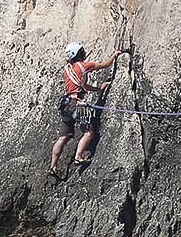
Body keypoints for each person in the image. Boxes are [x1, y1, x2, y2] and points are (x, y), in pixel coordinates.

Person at [50, 42, 131, 177]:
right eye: (82, 51)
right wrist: (114, 55)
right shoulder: (84, 66)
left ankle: (53, 167)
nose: (84, 52)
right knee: (89, 133)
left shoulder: (67, 69)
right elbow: (105, 64)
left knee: (62, 138)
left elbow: (82, 85)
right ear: (78, 54)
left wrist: (98, 88)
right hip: (76, 104)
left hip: (66, 105)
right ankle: (78, 156)